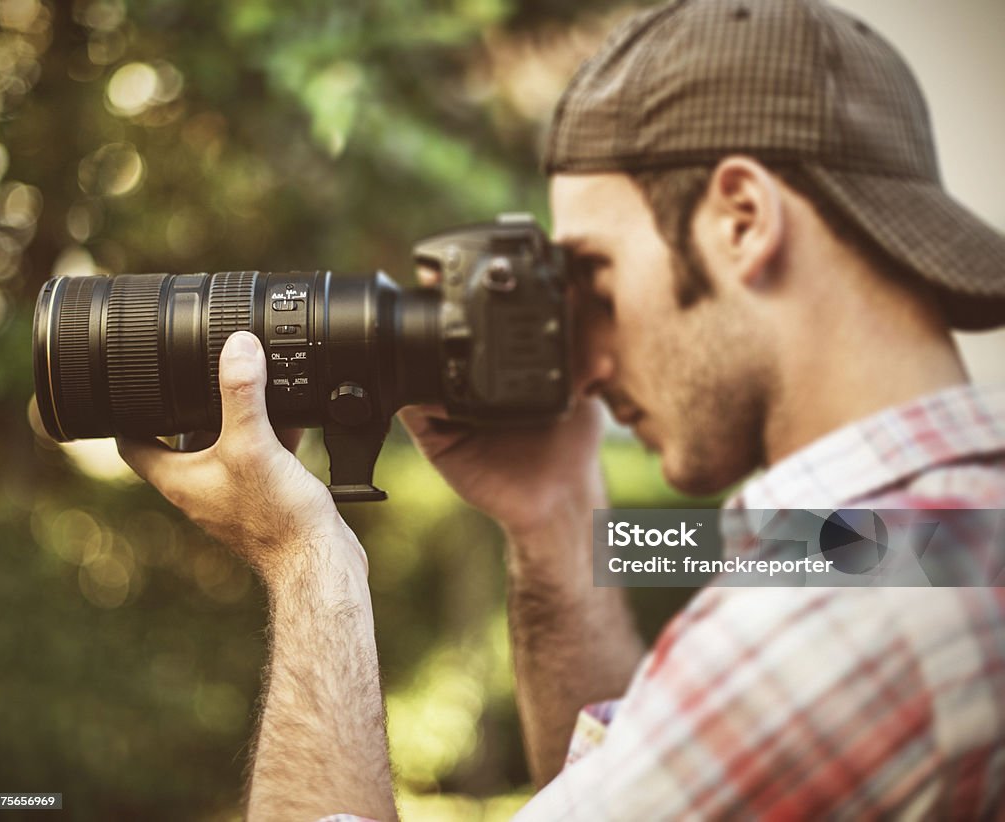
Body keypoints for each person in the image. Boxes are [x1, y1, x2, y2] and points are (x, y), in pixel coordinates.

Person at [117, 0, 1005, 818]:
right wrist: (557, 523)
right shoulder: (927, 540)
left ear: (741, 218)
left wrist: (306, 560)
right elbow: (615, 786)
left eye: (596, 282)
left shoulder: (835, 634)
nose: (578, 366)